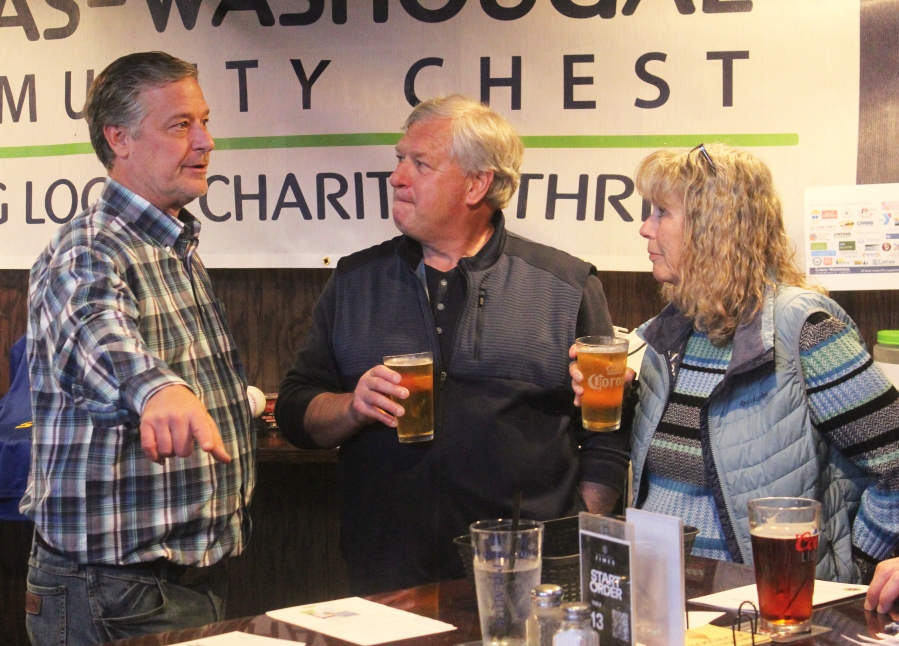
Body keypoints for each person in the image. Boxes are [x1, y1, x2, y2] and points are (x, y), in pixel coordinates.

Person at [276, 95, 629, 595]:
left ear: (477, 183)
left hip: (527, 579)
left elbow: (606, 433)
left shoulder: (565, 284)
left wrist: (574, 531)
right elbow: (295, 410)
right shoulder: (355, 281)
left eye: (418, 164)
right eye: (399, 160)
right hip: (387, 578)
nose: (397, 177)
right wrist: (352, 407)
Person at [570, 143, 899, 612]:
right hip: (660, 602)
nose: (645, 227)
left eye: (662, 212)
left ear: (714, 228)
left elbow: (895, 465)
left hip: (765, 611)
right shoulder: (673, 332)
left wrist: (851, 575)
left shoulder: (803, 328)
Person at [22, 52, 255, 645]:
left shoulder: (170, 244)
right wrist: (159, 390)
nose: (205, 141)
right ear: (118, 138)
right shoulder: (90, 246)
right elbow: (95, 329)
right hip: (114, 592)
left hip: (166, 584)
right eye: (181, 125)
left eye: (204, 121)